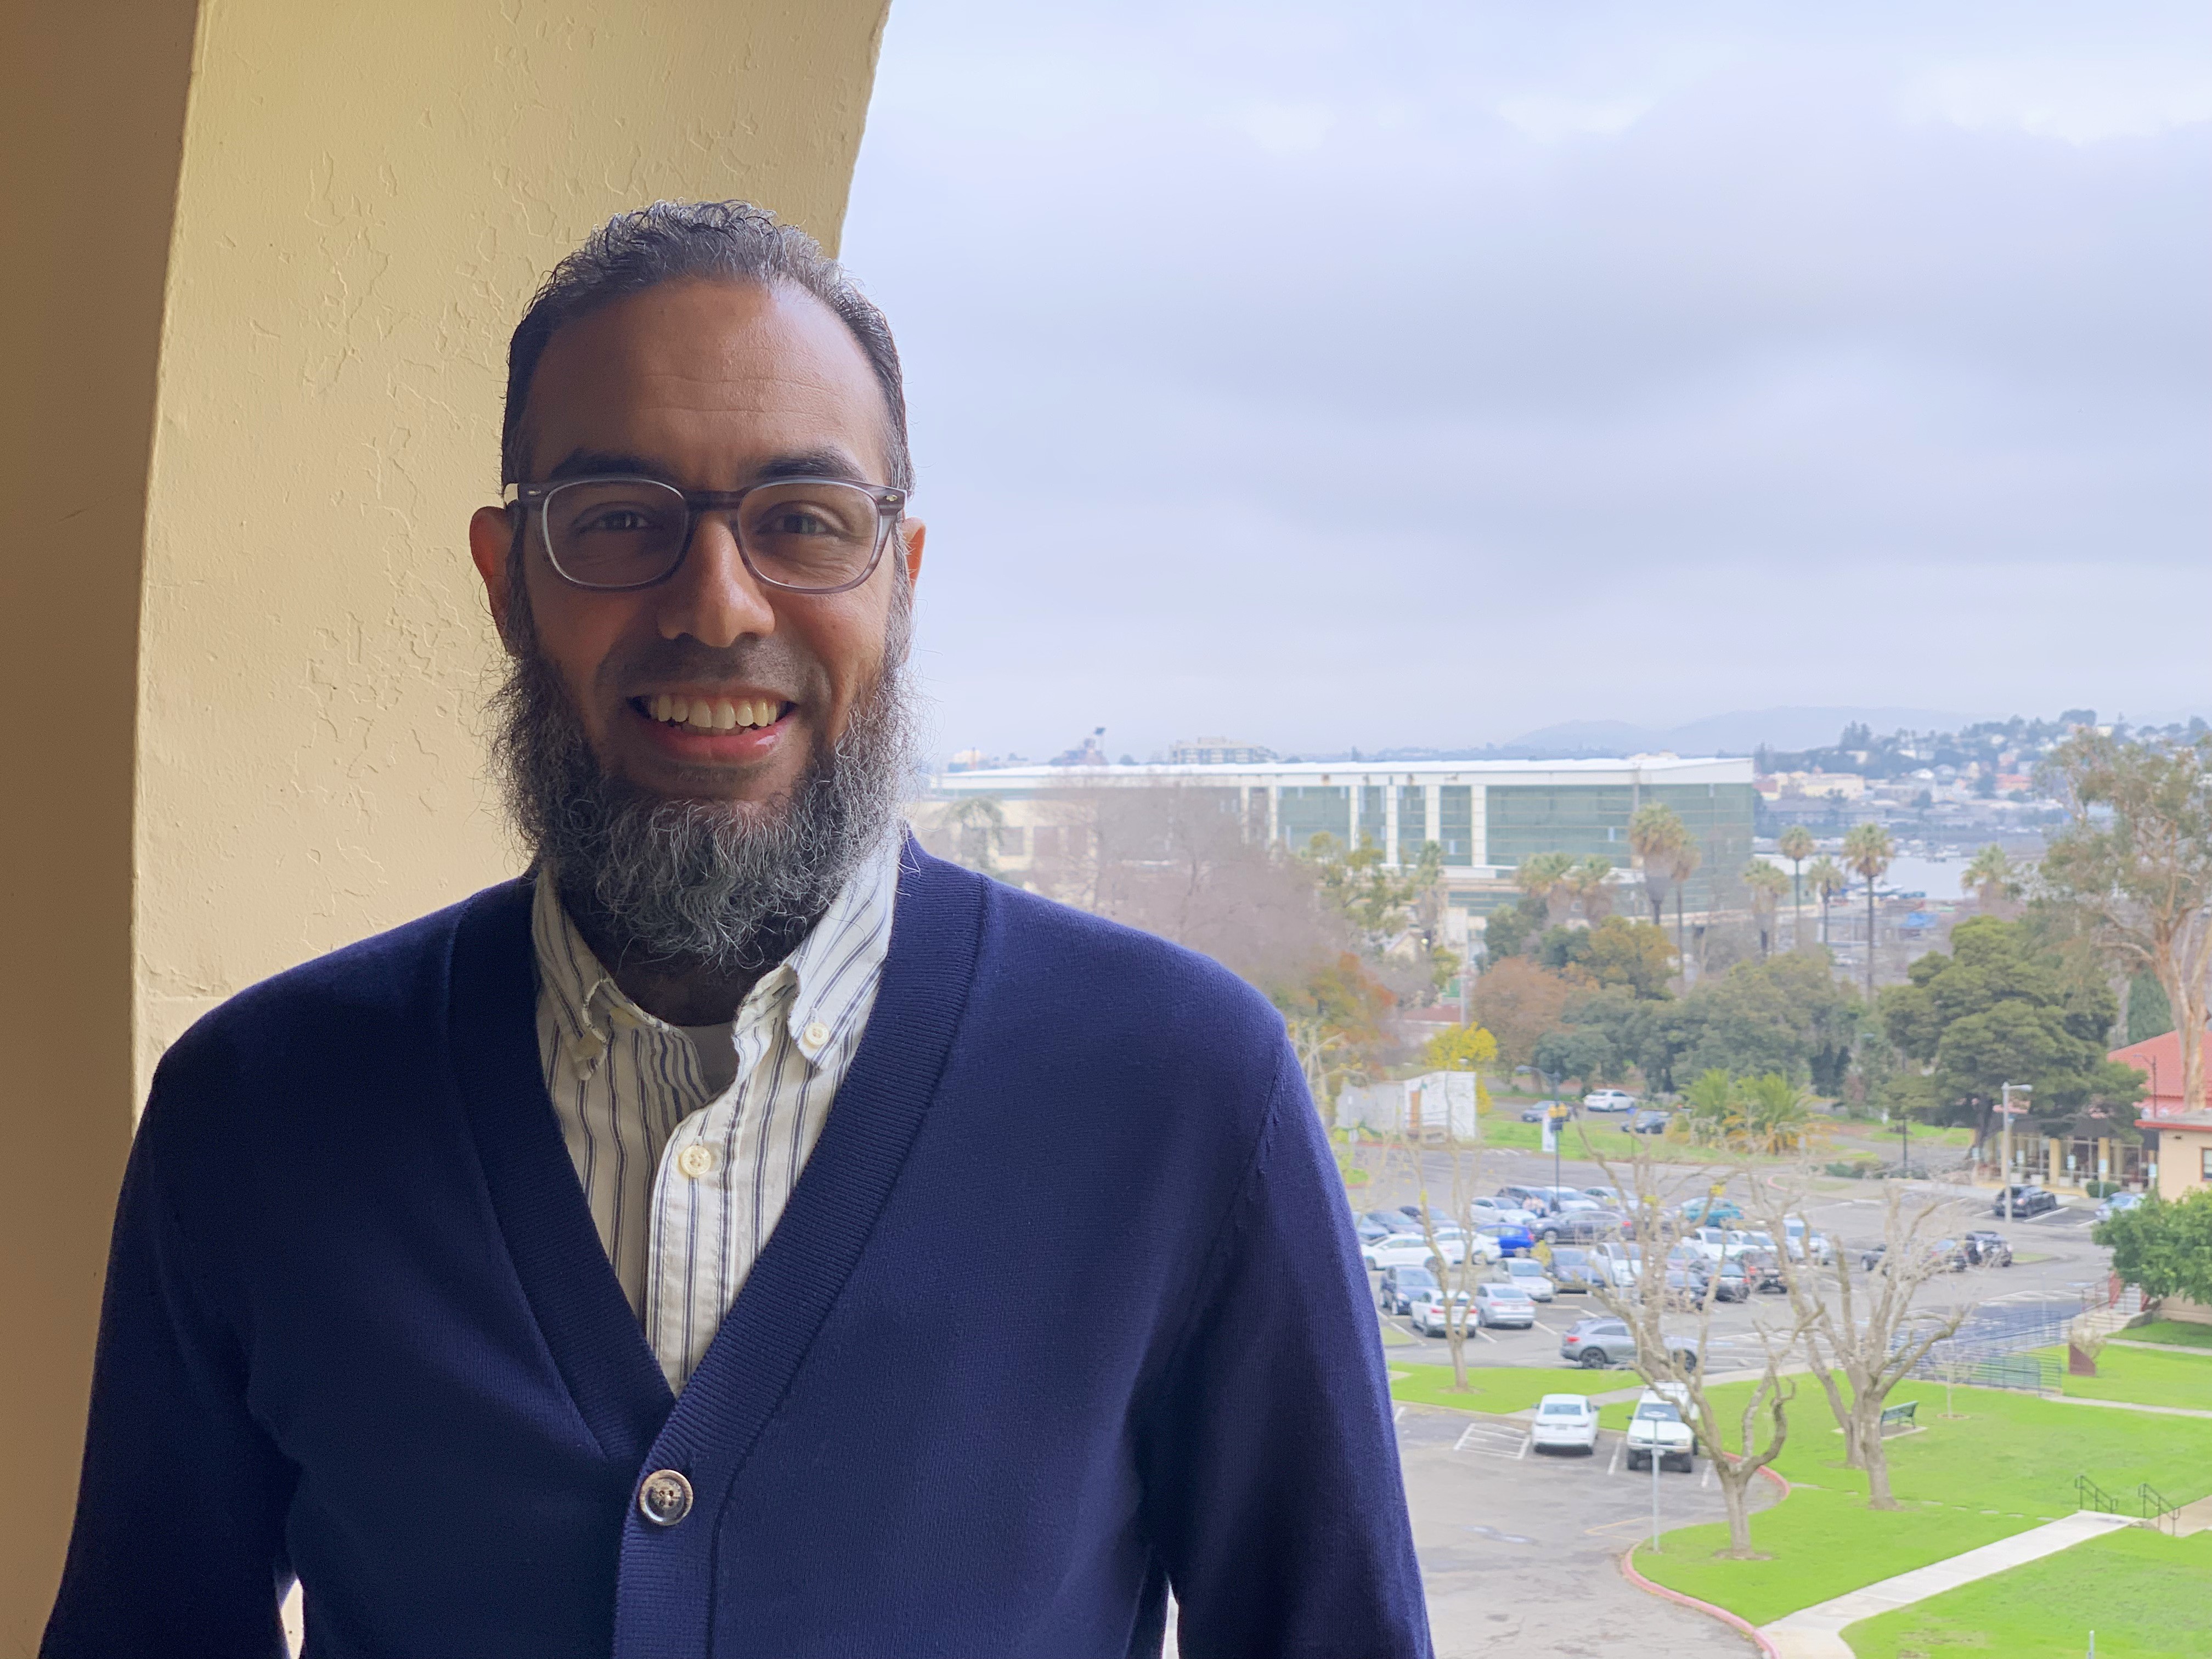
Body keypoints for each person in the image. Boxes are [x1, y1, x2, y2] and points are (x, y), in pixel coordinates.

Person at [43, 202, 1428, 1658]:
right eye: (620, 520)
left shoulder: (1187, 1095)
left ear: (901, 581)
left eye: (805, 524)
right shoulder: (259, 1112)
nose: (716, 605)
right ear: (506, 578)